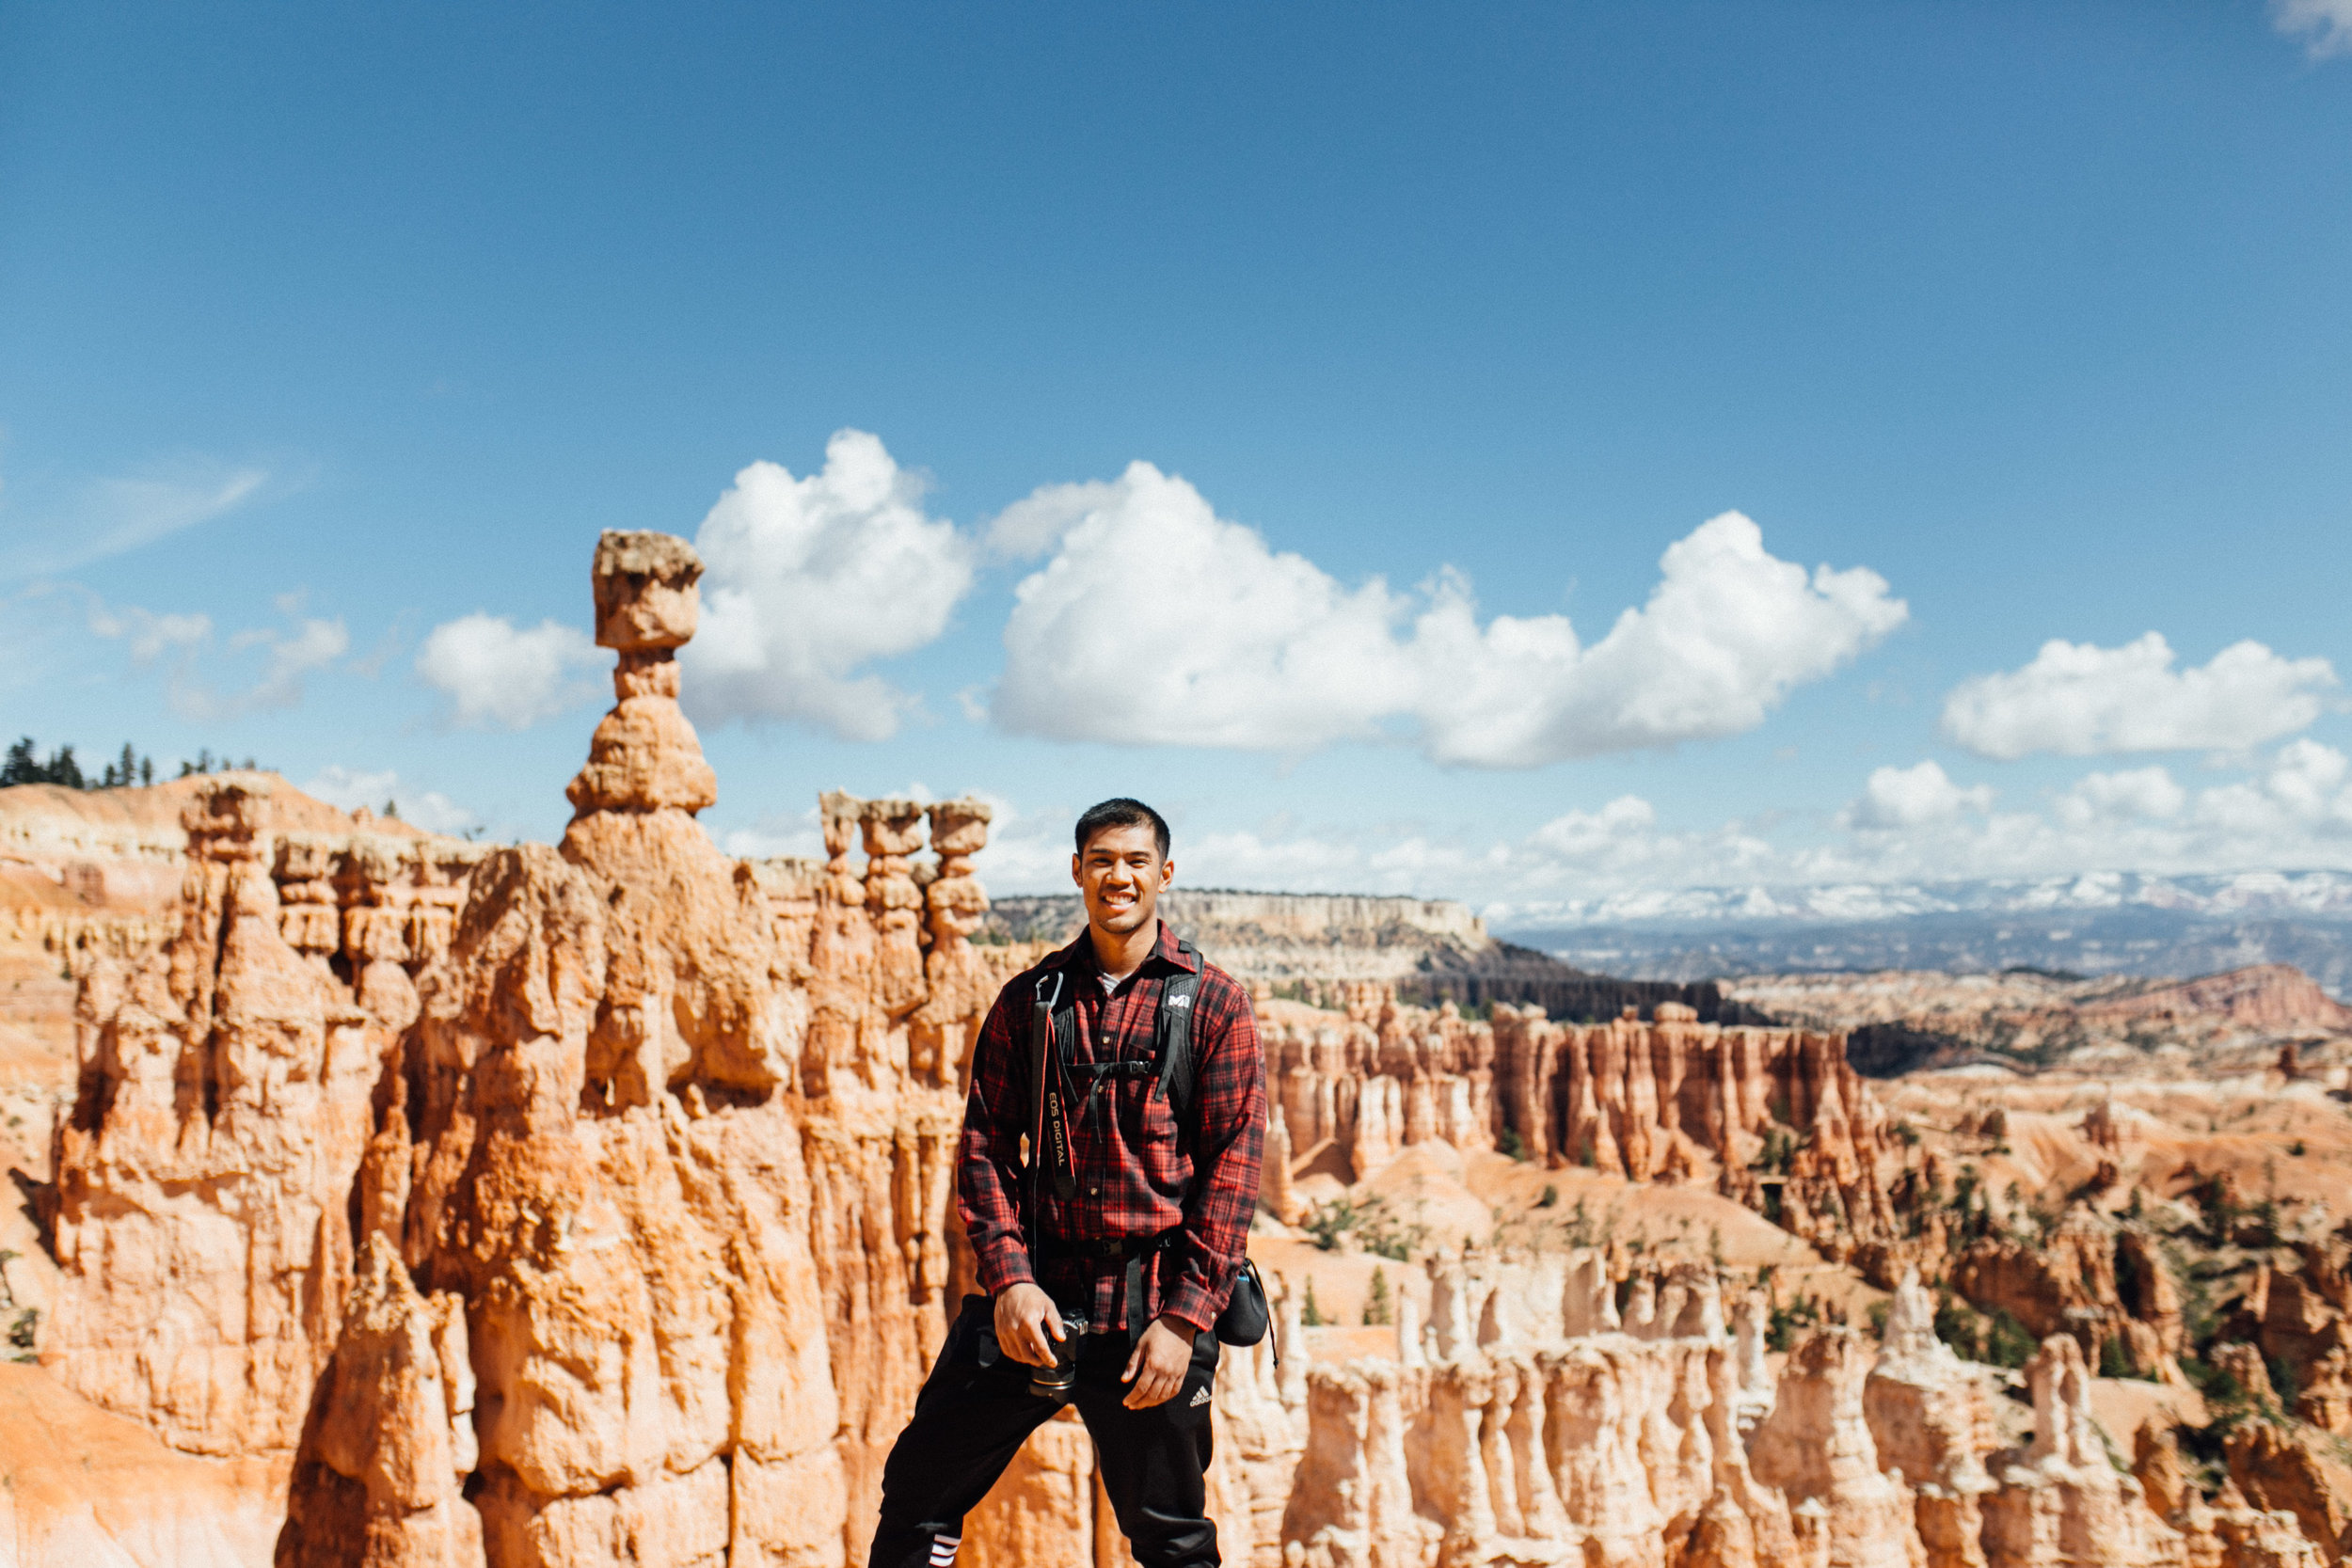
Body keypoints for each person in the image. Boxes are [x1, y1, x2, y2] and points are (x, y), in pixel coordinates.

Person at [867, 797, 1267, 1568]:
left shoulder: (1215, 1004)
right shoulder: (1032, 1000)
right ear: (1077, 871)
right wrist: (1010, 1281)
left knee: (1173, 1542)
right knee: (916, 1499)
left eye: (1136, 861)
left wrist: (1185, 1321)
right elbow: (984, 1146)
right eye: (1103, 860)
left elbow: (1233, 1174)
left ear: (1165, 874)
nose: (1119, 876)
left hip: (1150, 1316)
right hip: (1035, 1304)